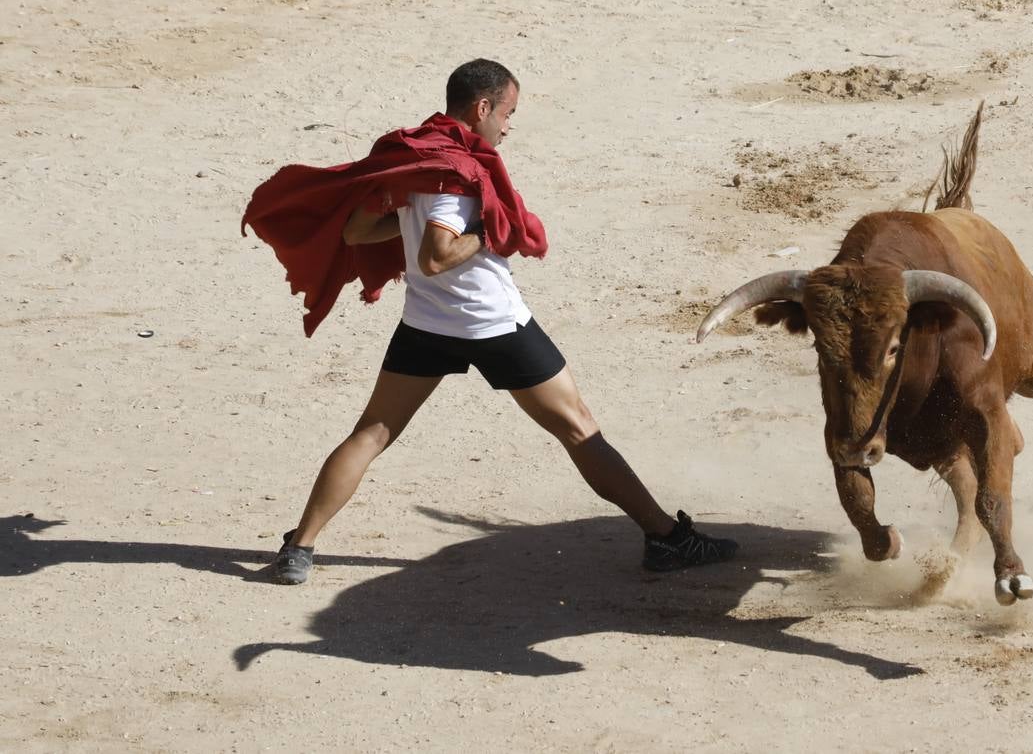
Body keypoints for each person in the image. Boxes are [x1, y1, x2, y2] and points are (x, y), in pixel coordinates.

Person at [262, 59, 737, 584]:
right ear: (482, 107)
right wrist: (495, 233)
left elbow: (357, 232)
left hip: (425, 324)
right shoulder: (455, 175)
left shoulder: (417, 157)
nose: (508, 125)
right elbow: (436, 257)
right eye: (508, 112)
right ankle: (666, 539)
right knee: (580, 430)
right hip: (494, 325)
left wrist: (408, 220)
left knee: (371, 434)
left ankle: (299, 548)